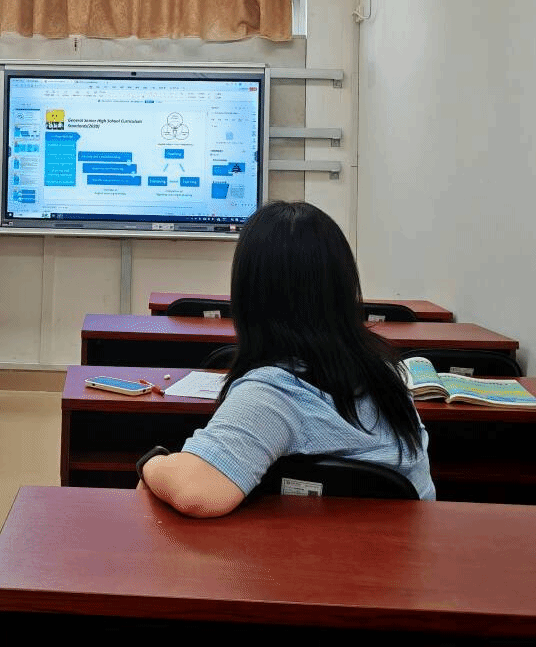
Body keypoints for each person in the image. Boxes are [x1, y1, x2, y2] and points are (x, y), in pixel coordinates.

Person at [137, 201, 434, 516]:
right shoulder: (385, 372)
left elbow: (196, 494)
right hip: (408, 542)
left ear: (249, 295)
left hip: (325, 545)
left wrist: (151, 463)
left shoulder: (276, 394)